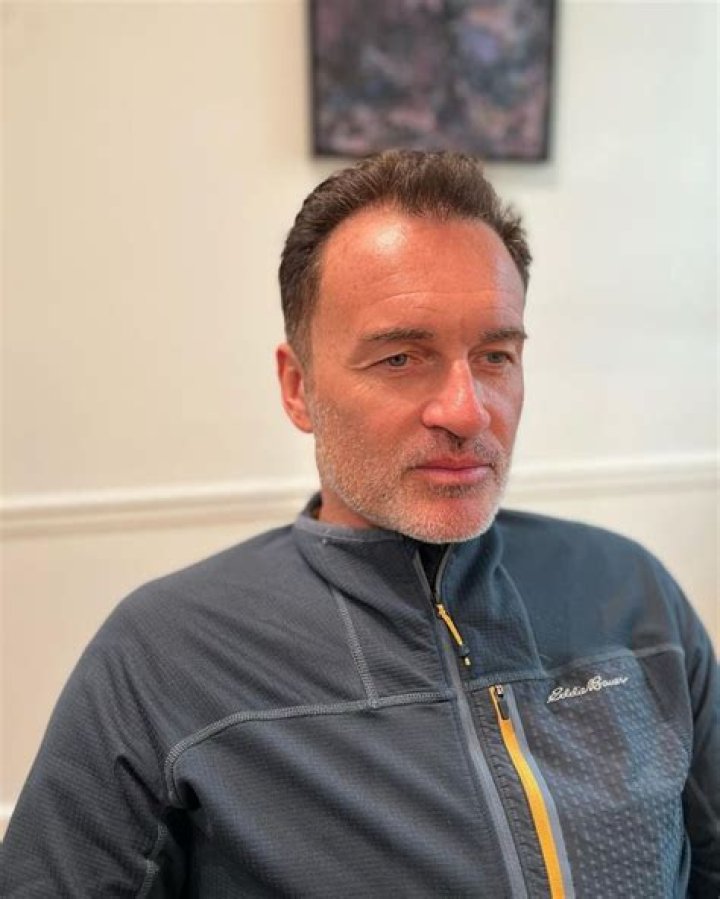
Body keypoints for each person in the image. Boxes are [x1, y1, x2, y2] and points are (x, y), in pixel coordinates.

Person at [2, 150, 717, 897]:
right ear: (298, 387)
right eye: (402, 357)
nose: (467, 411)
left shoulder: (629, 594)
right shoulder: (165, 655)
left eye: (495, 355)